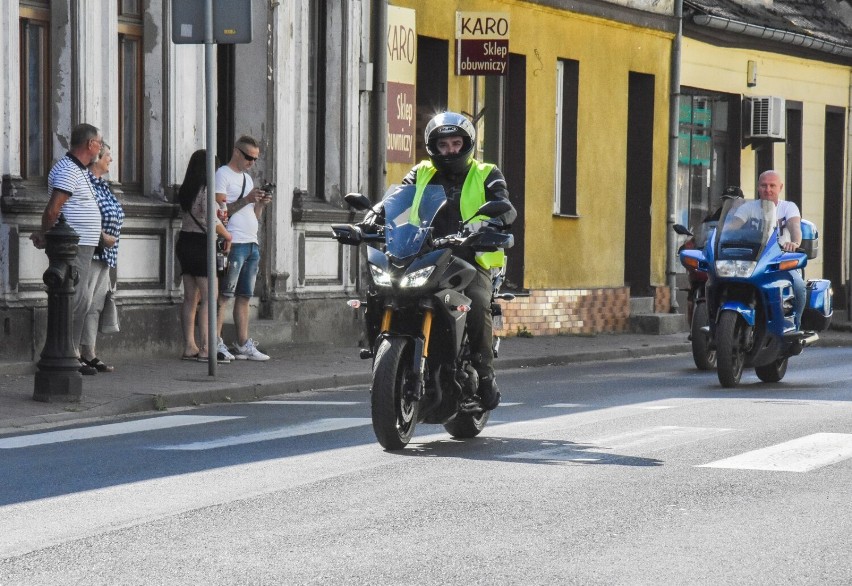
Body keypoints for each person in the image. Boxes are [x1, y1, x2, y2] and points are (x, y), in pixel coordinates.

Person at [378, 111, 516, 409]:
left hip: (470, 257)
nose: (450, 149)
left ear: (467, 144)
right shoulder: (421, 172)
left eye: (456, 143)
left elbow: (505, 207)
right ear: (433, 147)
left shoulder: (487, 172)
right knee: (384, 289)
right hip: (424, 254)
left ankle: (485, 374)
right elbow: (395, 200)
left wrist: (493, 223)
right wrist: (372, 218)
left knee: (477, 304)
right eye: (444, 144)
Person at [30, 123, 104, 375]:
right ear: (90, 144)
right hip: (72, 246)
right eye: (100, 143)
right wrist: (46, 234)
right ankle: (64, 355)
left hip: (82, 244)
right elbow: (54, 208)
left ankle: (70, 354)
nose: (101, 148)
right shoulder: (68, 170)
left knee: (80, 299)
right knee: (73, 299)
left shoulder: (79, 170)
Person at [214, 135, 272, 361]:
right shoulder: (222, 175)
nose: (252, 162)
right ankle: (216, 341)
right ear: (237, 152)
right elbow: (220, 211)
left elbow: (254, 215)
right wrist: (247, 200)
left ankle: (242, 342)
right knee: (224, 295)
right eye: (249, 157)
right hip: (233, 241)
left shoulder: (247, 179)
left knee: (245, 296)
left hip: (251, 241)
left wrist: (259, 203)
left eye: (255, 159)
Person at [176, 149, 232, 362]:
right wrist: (227, 235)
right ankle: (207, 347)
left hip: (185, 241)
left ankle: (189, 345)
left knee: (190, 297)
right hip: (202, 244)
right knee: (210, 298)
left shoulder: (186, 189)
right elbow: (211, 220)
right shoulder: (207, 190)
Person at [80, 141, 124, 372]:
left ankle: (89, 352)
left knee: (95, 305)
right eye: (108, 155)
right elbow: (81, 214)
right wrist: (100, 236)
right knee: (82, 303)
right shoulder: (85, 182)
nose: (111, 159)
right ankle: (73, 353)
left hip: (107, 255)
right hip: (90, 251)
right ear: (96, 157)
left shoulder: (104, 185)